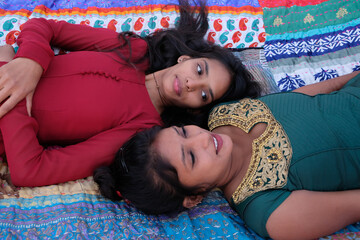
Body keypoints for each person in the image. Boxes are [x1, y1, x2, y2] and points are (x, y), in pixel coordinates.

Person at [0, 0, 261, 187]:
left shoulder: (141, 131)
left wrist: (10, 72)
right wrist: (29, 63)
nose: (194, 84)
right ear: (185, 58)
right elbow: (44, 27)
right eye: (200, 69)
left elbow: (30, 171)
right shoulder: (133, 50)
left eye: (204, 95)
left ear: (196, 109)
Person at [94, 71, 360, 240]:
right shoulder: (269, 211)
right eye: (192, 158)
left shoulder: (224, 112)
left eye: (183, 132)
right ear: (194, 197)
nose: (202, 139)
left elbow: (315, 96)